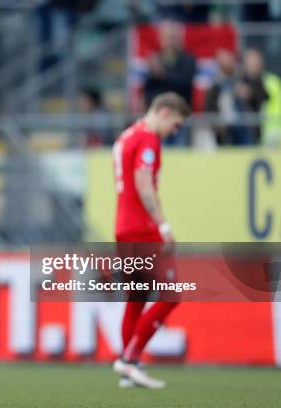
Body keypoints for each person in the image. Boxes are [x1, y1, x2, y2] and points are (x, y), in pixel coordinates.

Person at [111, 92, 190, 389]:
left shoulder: (126, 136)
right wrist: (164, 226)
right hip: (142, 229)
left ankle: (129, 370)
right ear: (165, 112)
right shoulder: (148, 139)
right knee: (171, 294)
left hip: (123, 228)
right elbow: (144, 184)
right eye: (177, 125)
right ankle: (130, 359)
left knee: (137, 299)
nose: (175, 132)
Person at [143, 20, 195, 145]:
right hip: (160, 118)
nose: (170, 41)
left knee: (180, 153)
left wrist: (163, 74)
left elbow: (185, 83)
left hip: (180, 117)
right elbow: (149, 89)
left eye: (173, 37)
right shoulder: (155, 59)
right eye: (167, 37)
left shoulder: (188, 59)